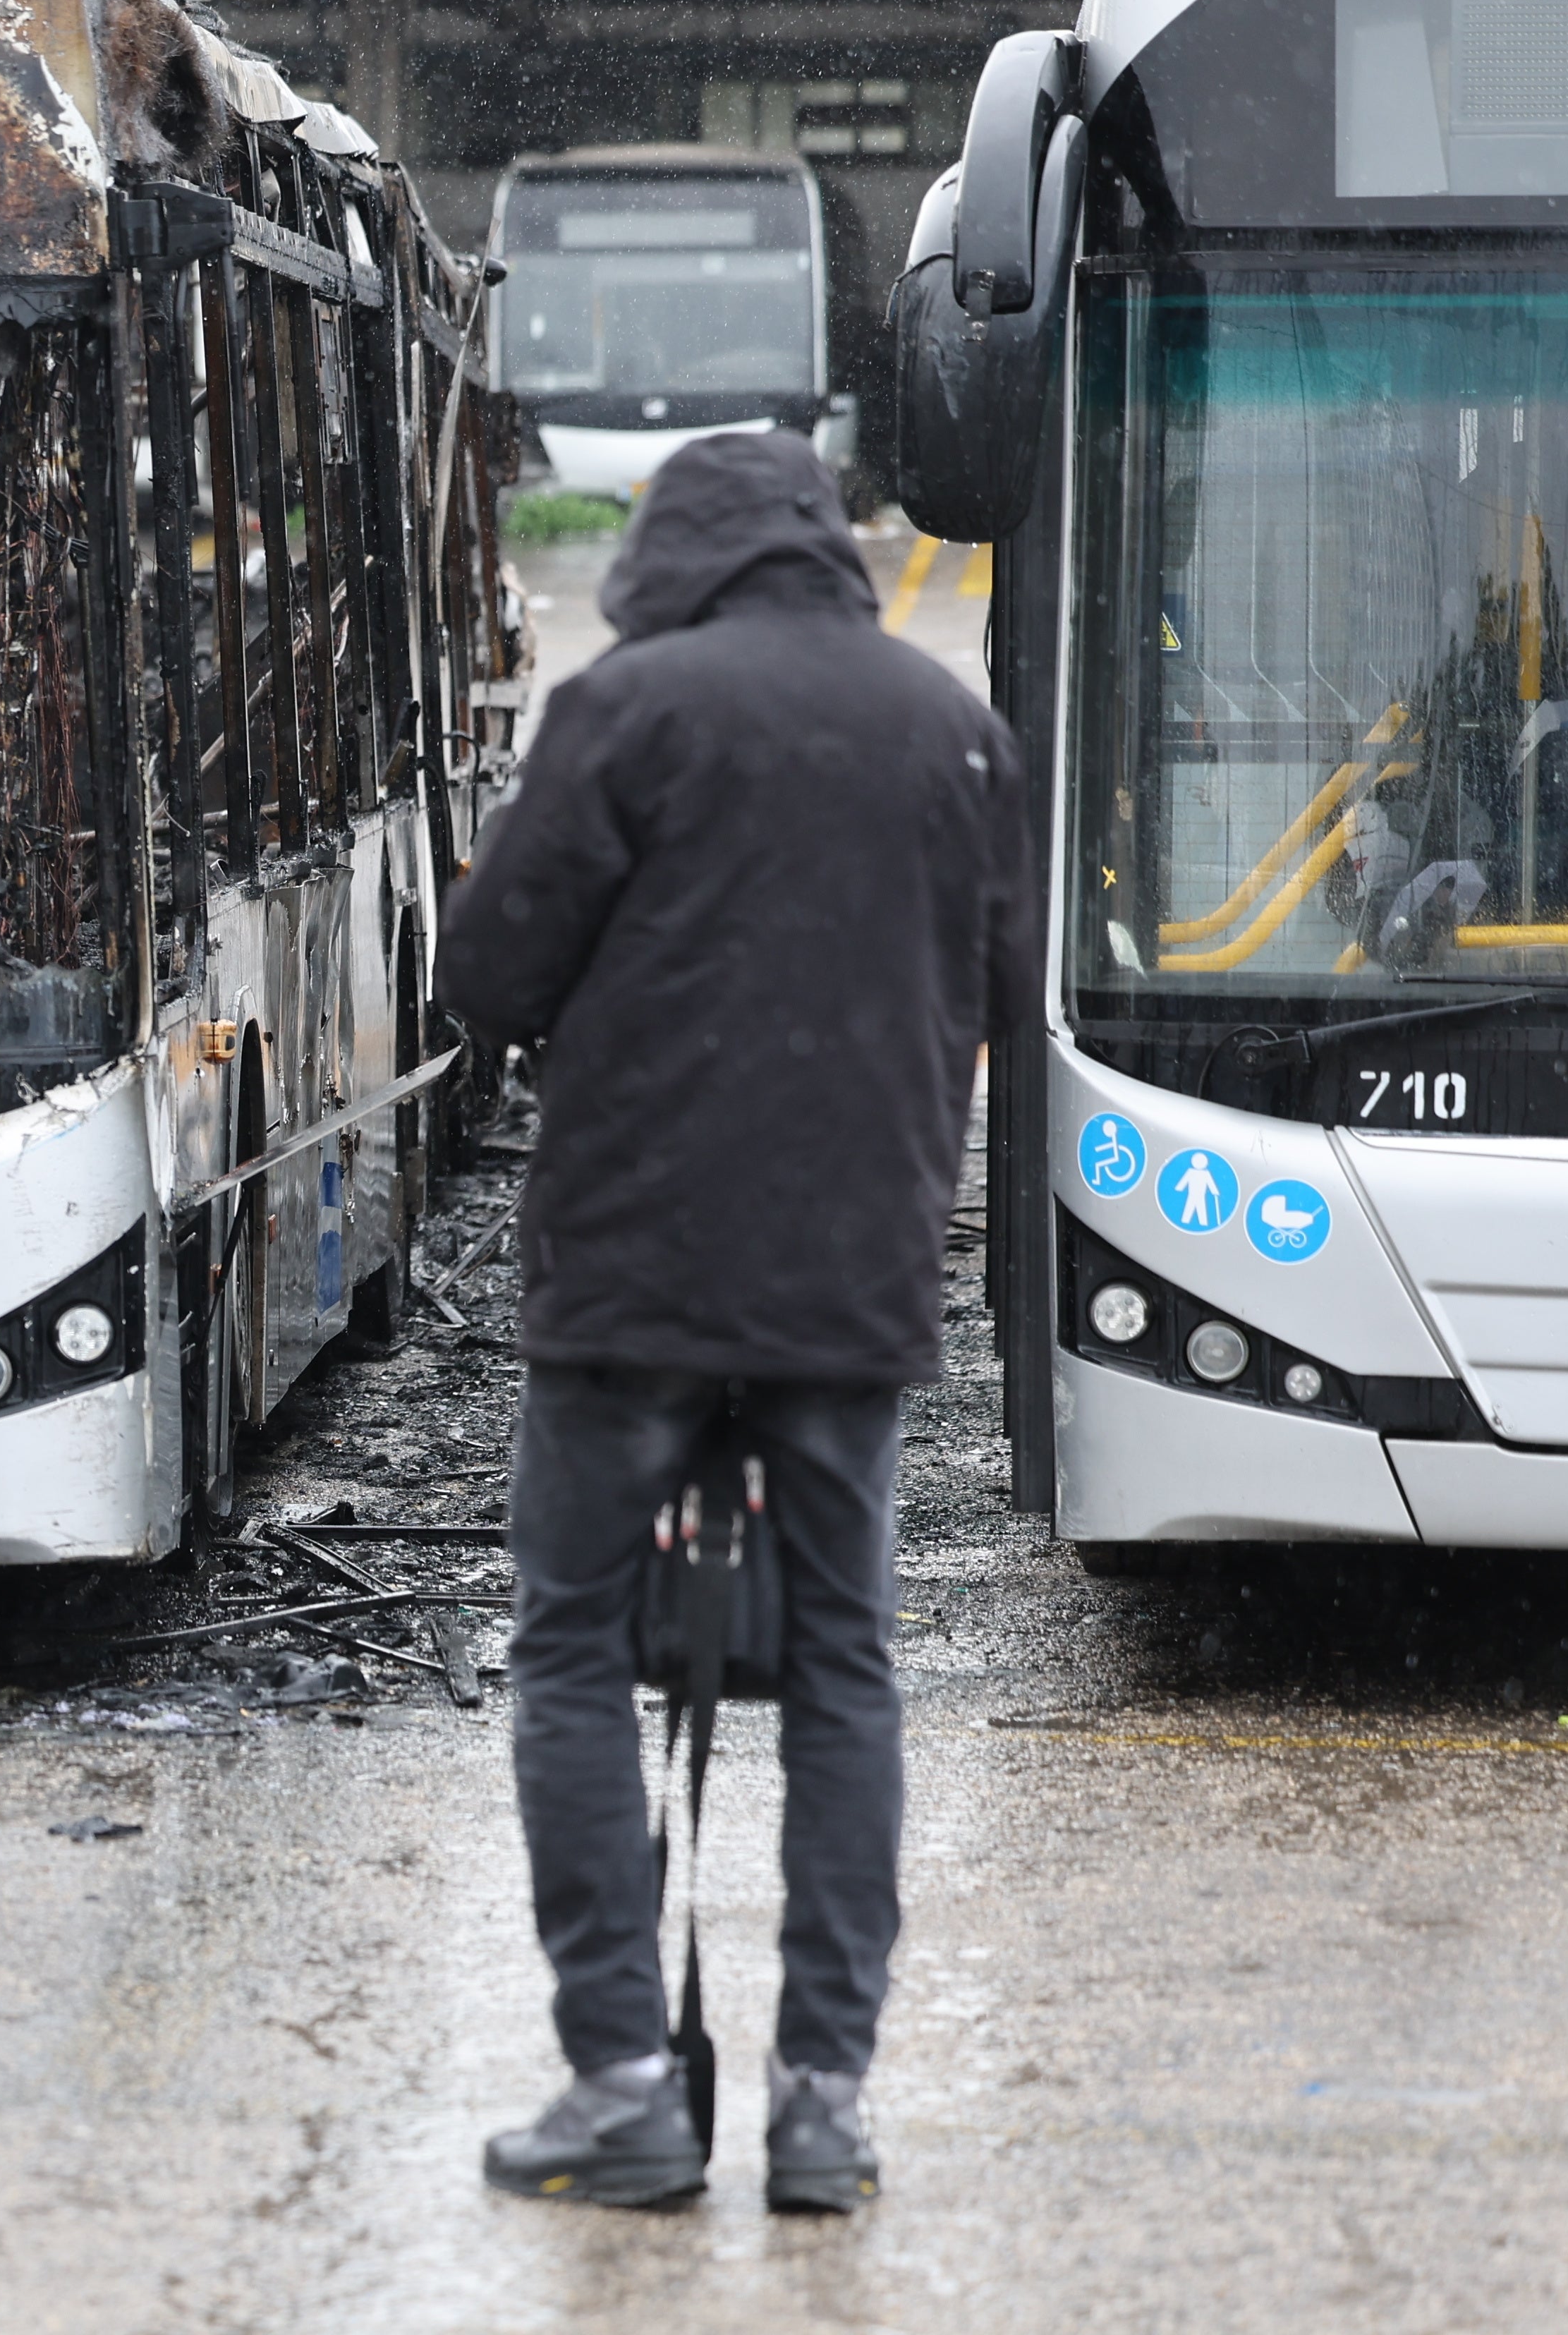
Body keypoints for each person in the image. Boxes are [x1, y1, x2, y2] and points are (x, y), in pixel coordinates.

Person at [434, 427, 1035, 2214]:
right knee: (846, 1664)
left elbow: (486, 979)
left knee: (565, 1650)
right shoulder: (957, 734)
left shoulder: (629, 709)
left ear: (668, 556)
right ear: (831, 553)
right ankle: (824, 2107)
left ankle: (624, 2080)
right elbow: (1006, 995)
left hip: (630, 1285)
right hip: (849, 1286)